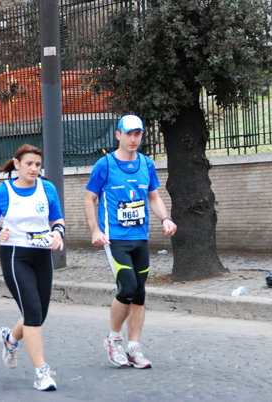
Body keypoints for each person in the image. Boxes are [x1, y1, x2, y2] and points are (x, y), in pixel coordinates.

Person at [84, 114, 177, 369]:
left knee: (140, 293)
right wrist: (94, 230)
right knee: (127, 288)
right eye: (128, 134)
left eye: (138, 134)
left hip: (140, 238)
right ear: (118, 135)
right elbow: (89, 198)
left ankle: (134, 347)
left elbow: (154, 197)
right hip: (115, 239)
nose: (133, 139)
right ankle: (114, 338)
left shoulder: (146, 164)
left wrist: (165, 218)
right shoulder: (104, 164)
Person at [0, 144, 65, 391]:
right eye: (29, 164)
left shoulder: (47, 188)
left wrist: (58, 232)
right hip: (15, 256)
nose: (34, 169)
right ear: (16, 164)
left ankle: (10, 339)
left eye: (38, 165)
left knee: (38, 315)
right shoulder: (2, 192)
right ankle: (42, 372)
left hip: (42, 256)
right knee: (32, 312)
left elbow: (57, 219)